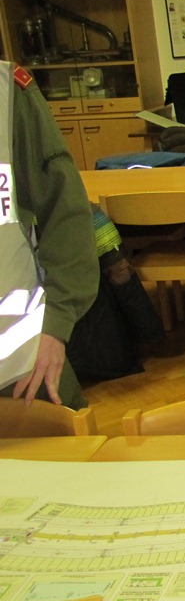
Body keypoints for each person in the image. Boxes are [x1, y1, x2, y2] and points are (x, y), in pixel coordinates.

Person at [0, 60, 98, 409]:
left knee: (59, 452)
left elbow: (65, 211)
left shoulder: (8, 95)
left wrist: (56, 323)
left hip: (16, 352)